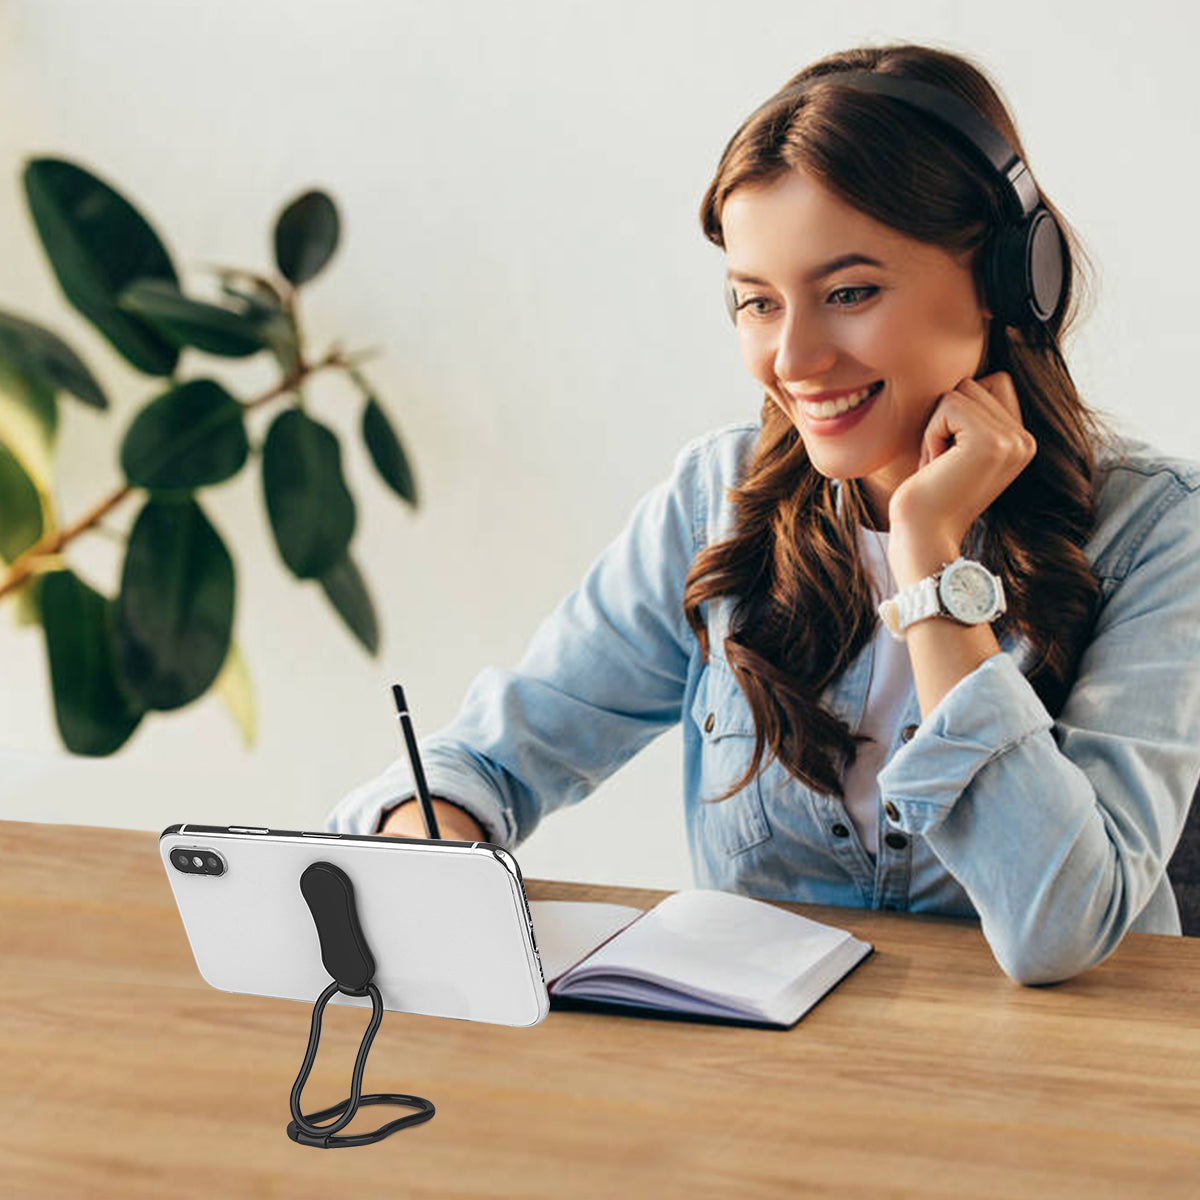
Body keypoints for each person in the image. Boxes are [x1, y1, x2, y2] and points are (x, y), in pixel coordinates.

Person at [325, 41, 1200, 985]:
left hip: (1073, 1098)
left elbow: (1061, 928)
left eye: (850, 293)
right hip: (765, 1094)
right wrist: (429, 837)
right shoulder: (718, 499)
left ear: (1007, 280)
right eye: (756, 303)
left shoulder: (1156, 535)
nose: (794, 359)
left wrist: (931, 563)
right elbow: (493, 759)